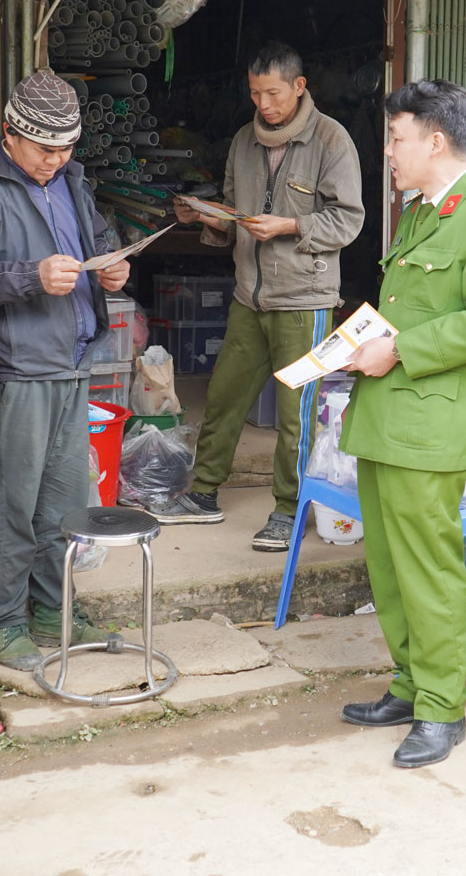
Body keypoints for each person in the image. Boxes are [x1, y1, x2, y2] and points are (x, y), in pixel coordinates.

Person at [335, 79, 466, 768]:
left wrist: (401, 350)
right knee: (389, 568)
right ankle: (411, 684)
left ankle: (443, 708)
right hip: (386, 418)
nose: (386, 151)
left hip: (431, 427)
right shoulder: (419, 215)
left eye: (396, 138)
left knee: (430, 570)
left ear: (435, 140)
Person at [0, 70, 131, 671]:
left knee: (66, 500)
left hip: (73, 362)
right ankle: (6, 619)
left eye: (66, 147)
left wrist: (115, 268)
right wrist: (29, 276)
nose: (56, 159)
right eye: (46, 147)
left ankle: (53, 611)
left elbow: (101, 239)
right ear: (14, 136)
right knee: (14, 501)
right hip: (17, 367)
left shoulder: (72, 180)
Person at [164, 41, 365, 551]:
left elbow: (349, 219)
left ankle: (287, 508)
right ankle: (204, 493)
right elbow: (234, 215)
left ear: (299, 87)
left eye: (272, 93)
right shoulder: (242, 142)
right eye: (255, 94)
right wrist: (210, 218)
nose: (263, 104)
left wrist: (290, 225)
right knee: (225, 397)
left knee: (297, 413)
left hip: (305, 299)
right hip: (249, 297)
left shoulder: (331, 139)